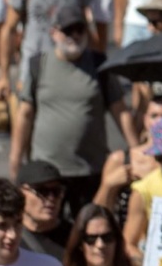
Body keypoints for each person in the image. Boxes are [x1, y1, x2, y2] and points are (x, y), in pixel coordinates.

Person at [10, 12, 129, 220]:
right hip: (48, 173)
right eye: (67, 31)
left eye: (80, 30)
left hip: (91, 171)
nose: (74, 35)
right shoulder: (39, 64)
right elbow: (25, 114)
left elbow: (121, 111)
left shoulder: (100, 64)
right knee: (48, 228)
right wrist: (15, 157)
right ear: (54, 33)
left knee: (90, 230)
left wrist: (136, 149)